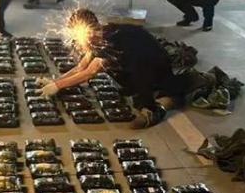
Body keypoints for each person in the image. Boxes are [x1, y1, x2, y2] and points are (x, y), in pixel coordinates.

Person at [39, 9, 209, 128]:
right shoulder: (98, 37)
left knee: (143, 88)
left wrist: (57, 86)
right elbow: (81, 67)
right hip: (140, 62)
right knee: (117, 67)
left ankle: (154, 108)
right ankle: (146, 89)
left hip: (153, 66)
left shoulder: (110, 40)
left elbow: (89, 73)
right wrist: (55, 81)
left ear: (89, 31)